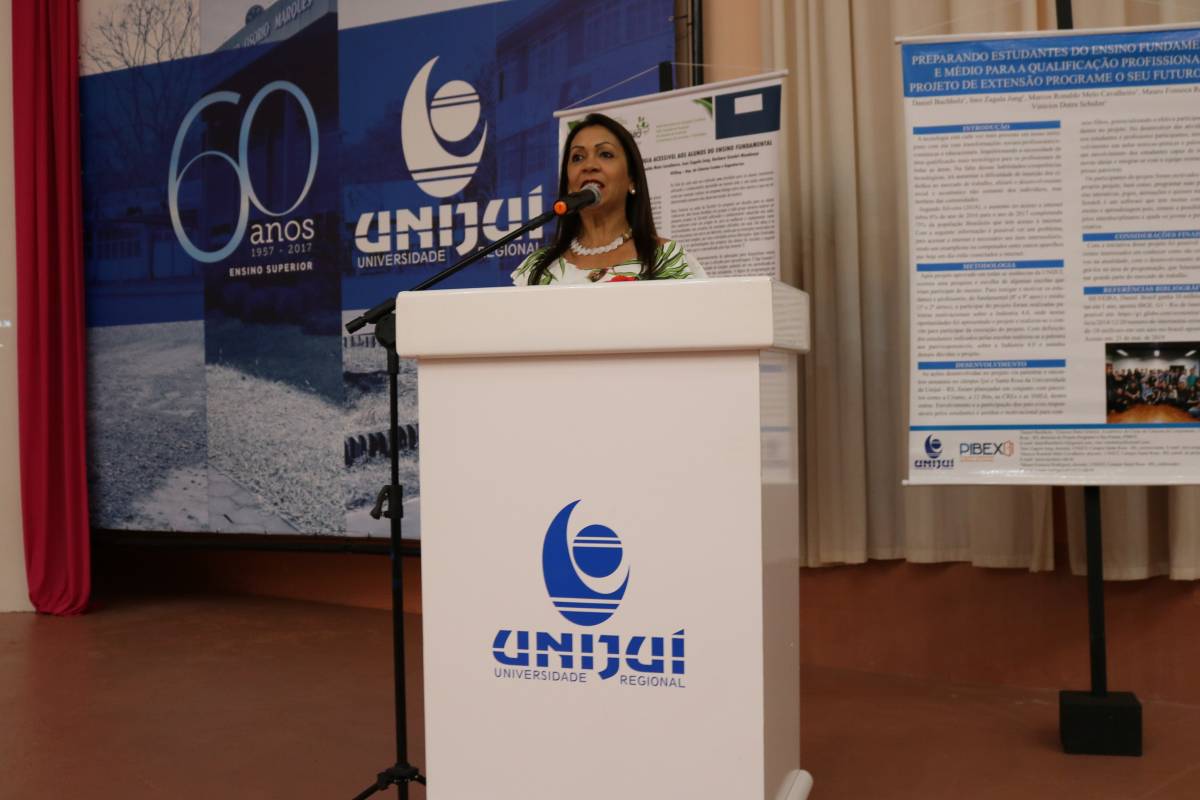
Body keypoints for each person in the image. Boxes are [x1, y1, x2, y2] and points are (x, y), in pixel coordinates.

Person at [512, 113, 706, 286]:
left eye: (605, 154)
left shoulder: (667, 259)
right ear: (568, 183)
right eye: (578, 157)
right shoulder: (538, 268)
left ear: (632, 179)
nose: (589, 165)